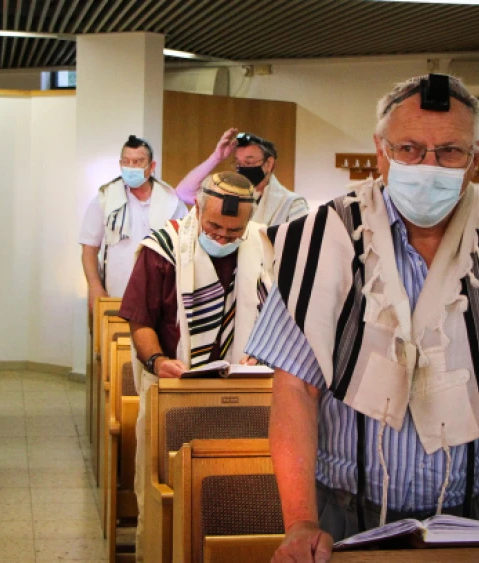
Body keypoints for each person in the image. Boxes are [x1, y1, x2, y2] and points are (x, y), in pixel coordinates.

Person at [250, 75, 479, 563]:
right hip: (344, 513)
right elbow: (295, 390)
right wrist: (300, 522)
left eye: (449, 151)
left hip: (478, 516)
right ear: (381, 151)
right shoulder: (320, 243)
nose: (428, 167)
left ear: (475, 156)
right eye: (410, 149)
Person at [119, 172, 271, 560]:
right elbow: (140, 320)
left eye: (233, 231)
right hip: (177, 393)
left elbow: (278, 315)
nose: (221, 238)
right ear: (198, 209)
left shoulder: (264, 246)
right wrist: (157, 361)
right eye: (214, 227)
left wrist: (264, 352)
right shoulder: (163, 248)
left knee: (241, 495)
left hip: (245, 395)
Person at [79, 135, 188, 309]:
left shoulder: (172, 202)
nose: (131, 167)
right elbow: (89, 249)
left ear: (152, 166)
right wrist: (95, 286)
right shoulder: (105, 199)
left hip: (160, 301)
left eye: (138, 162)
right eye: (126, 162)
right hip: (115, 296)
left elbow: (184, 251)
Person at [175, 128, 308, 226]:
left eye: (249, 162)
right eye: (238, 163)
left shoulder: (292, 204)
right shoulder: (228, 194)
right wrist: (216, 158)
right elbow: (183, 192)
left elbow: (298, 244)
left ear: (268, 164)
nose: (243, 168)